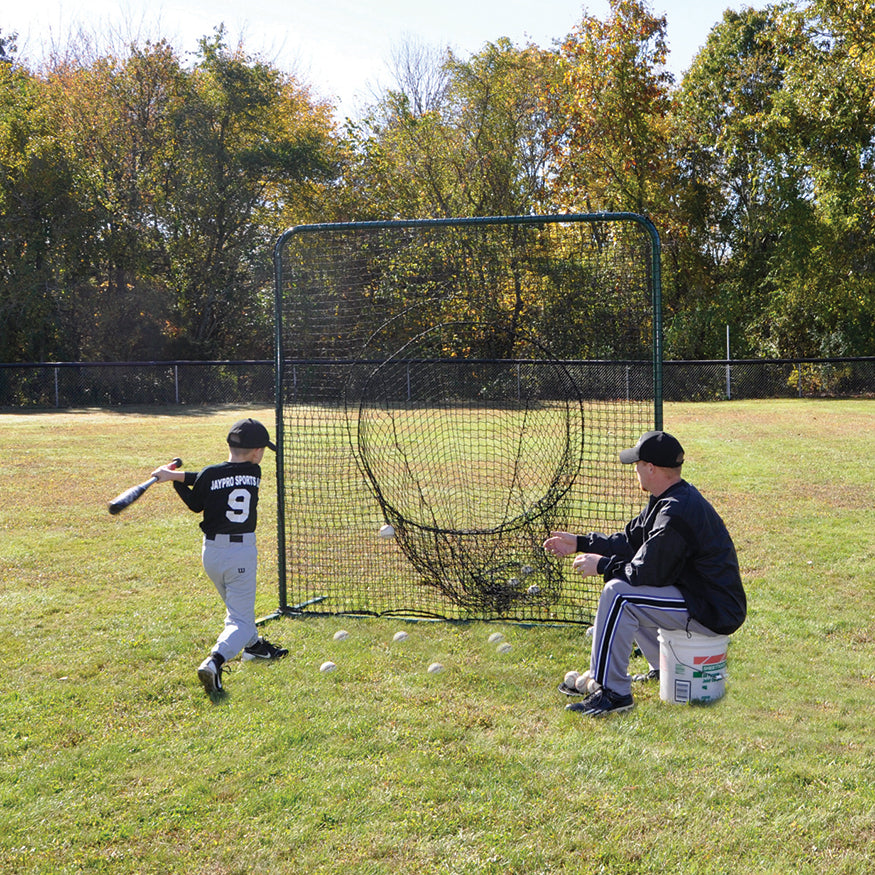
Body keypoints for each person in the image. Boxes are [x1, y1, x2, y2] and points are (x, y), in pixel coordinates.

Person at [544, 430, 746, 717]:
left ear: (650, 468)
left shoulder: (676, 512)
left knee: (619, 595)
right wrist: (580, 542)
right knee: (628, 593)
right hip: (701, 598)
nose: (635, 470)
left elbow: (645, 574)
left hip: (713, 609)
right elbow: (630, 541)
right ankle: (661, 668)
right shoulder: (668, 498)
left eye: (637, 464)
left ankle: (613, 694)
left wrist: (601, 565)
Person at [151, 417, 288, 696]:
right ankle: (215, 661)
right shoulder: (255, 472)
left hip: (212, 555)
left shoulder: (211, 475)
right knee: (240, 620)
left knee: (239, 612)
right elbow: (211, 479)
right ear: (257, 452)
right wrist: (174, 476)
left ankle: (253, 648)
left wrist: (173, 479)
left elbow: (197, 497)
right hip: (240, 553)